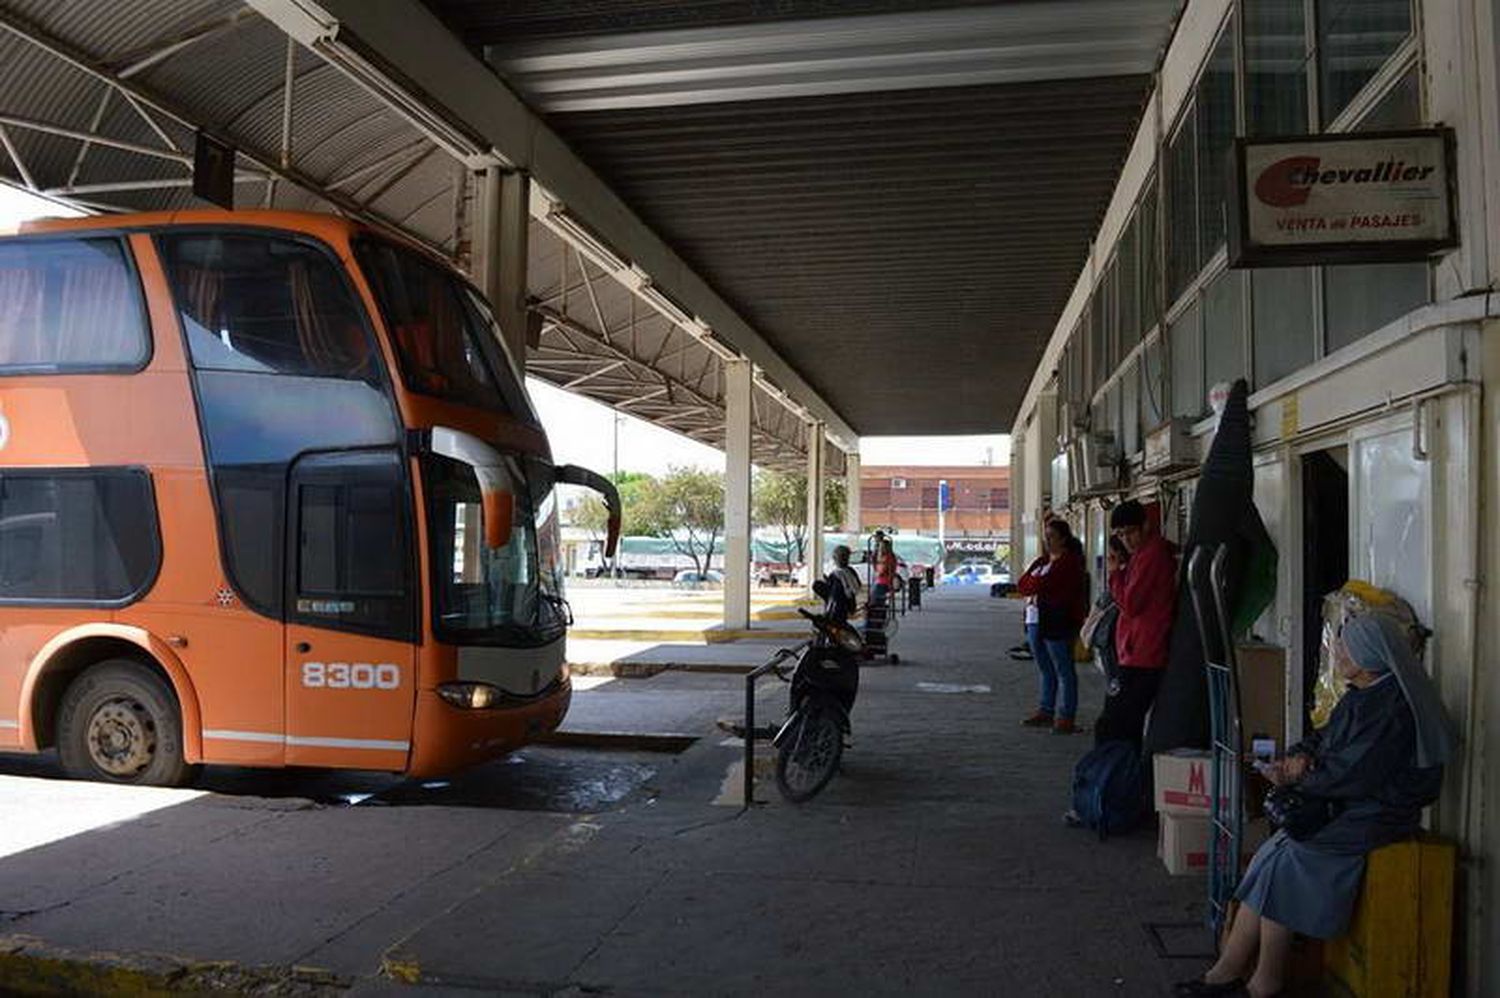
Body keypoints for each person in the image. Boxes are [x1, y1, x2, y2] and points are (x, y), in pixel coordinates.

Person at [1176, 613, 1456, 998]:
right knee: (1269, 855)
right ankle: (1226, 971)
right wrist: (1298, 755)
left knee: (1289, 861)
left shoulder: (1392, 710)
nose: (1337, 651)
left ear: (1368, 656)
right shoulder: (1366, 694)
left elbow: (1353, 775)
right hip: (1347, 803)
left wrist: (1297, 776)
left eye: (1345, 646)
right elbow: (1324, 739)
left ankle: (1263, 983)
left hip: (1377, 813)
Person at [1094, 499, 1176, 749]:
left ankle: (1119, 777)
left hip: (1143, 656)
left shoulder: (1151, 556)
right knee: (1120, 724)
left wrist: (1115, 574)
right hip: (1135, 653)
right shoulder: (1142, 555)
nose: (1126, 539)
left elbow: (1130, 603)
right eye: (1120, 534)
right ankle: (1122, 776)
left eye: (1130, 532)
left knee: (1116, 725)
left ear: (1145, 526)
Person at [1016, 518, 1089, 734]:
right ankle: (1046, 710)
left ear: (1063, 539)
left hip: (1058, 622)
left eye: (1052, 537)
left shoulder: (1068, 563)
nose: (1047, 541)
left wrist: (1036, 588)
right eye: (1046, 537)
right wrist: (1035, 588)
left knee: (1064, 669)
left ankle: (1066, 716)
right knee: (1045, 668)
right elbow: (1022, 585)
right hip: (1035, 620)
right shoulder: (1042, 562)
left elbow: (1041, 585)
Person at [828, 544, 861, 623]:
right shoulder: (850, 571)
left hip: (838, 608)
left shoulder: (835, 574)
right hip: (848, 605)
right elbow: (857, 586)